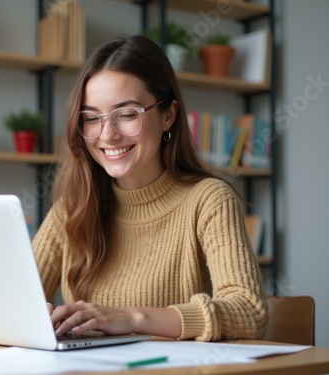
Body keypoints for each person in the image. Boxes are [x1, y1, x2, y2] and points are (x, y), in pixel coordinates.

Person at [31, 35, 268, 342]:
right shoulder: (72, 208)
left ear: (168, 115)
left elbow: (249, 311)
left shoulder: (208, 199)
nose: (107, 135)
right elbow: (7, 302)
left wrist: (129, 317)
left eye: (127, 114)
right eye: (91, 118)